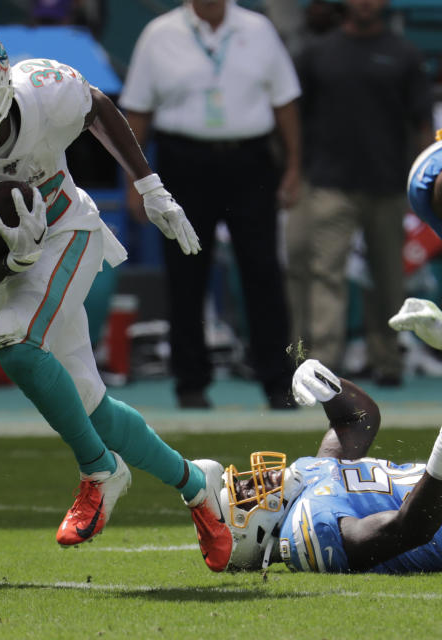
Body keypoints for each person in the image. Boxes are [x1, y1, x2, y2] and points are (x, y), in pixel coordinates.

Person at [0, 25, 229, 554]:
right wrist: (13, 257)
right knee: (91, 407)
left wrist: (149, 186)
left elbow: (97, 107)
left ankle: (99, 471)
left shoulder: (44, 91)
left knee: (14, 341)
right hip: (7, 267)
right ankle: (197, 487)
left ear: (2, 91)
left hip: (68, 229)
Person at [120, 0, 302, 410]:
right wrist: (137, 182)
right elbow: (138, 113)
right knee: (185, 274)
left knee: (263, 273)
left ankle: (278, 380)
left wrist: (293, 167)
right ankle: (190, 383)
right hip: (183, 162)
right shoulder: (159, 35)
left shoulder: (258, 30)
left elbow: (285, 103)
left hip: (249, 161)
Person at [192, 317, 442, 573]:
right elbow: (410, 529)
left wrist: (331, 389)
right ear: (251, 530)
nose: (256, 479)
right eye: (245, 494)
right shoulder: (307, 529)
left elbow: (358, 420)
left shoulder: (306, 481)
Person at [285, 0, 433, 388]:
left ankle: (387, 361)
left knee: (388, 279)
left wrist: (424, 186)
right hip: (330, 184)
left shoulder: (403, 54)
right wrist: (296, 169)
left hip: (387, 186)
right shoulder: (318, 53)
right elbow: (294, 117)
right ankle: (323, 369)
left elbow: (422, 122)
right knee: (326, 275)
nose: (365, 3)